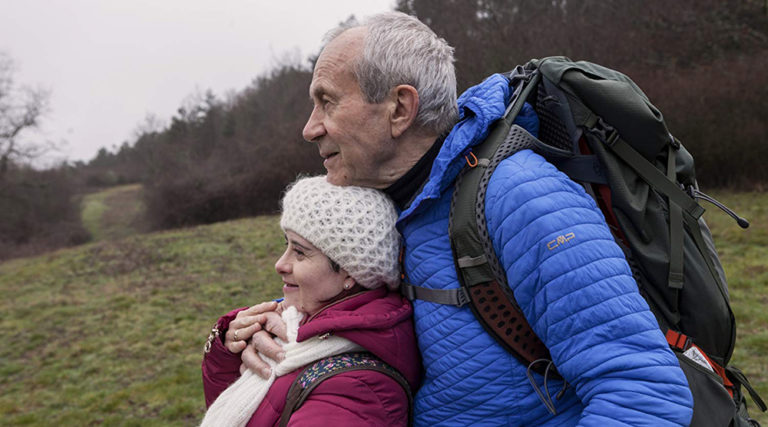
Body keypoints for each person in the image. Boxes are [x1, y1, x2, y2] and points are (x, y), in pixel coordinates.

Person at [241, 11, 695, 426]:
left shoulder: (519, 196)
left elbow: (644, 392)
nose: (310, 127)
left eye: (327, 102)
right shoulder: (388, 202)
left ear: (400, 108)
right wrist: (253, 331)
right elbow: (355, 309)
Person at [201, 176, 419, 426]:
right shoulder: (291, 329)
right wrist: (230, 350)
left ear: (350, 272)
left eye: (300, 252)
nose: (280, 264)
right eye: (286, 245)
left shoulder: (356, 393)